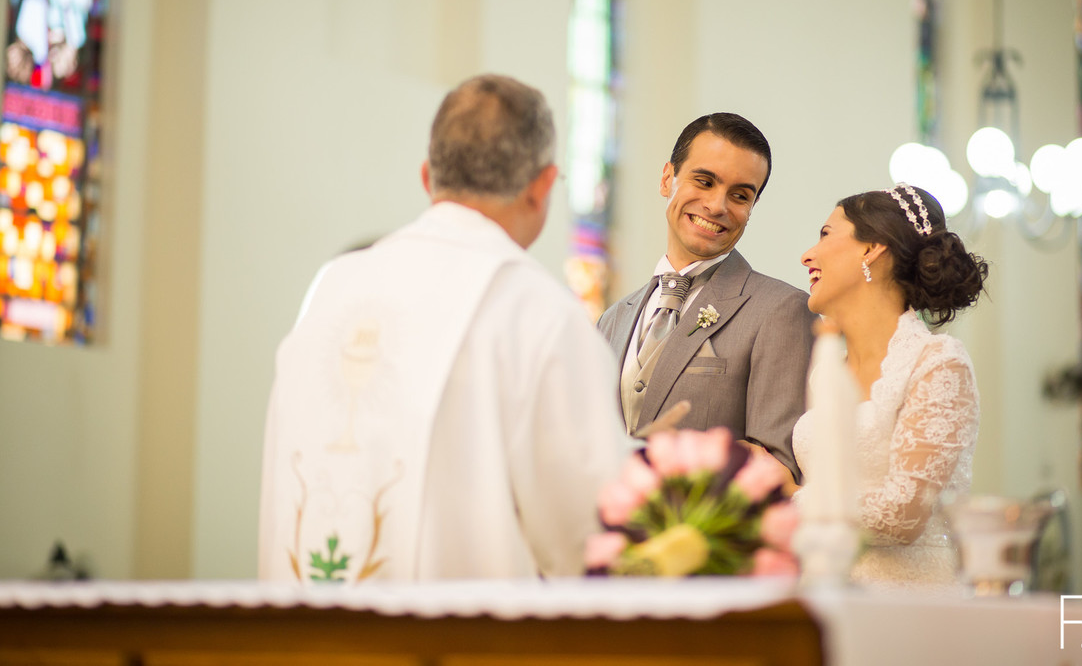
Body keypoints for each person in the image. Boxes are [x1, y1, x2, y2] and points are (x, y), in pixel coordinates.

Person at [258, 74, 630, 582]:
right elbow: (589, 534)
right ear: (543, 186)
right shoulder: (540, 310)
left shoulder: (331, 286)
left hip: (304, 642)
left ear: (427, 176)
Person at [597, 113, 815, 483]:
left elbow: (776, 470)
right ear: (668, 178)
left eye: (740, 195)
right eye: (704, 181)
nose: (717, 206)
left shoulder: (781, 311)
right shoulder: (613, 318)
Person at [791, 183, 989, 586]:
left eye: (826, 235)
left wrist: (782, 506)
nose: (807, 255)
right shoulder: (825, 370)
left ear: (872, 248)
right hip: (824, 591)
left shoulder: (937, 363)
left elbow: (903, 514)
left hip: (907, 600)